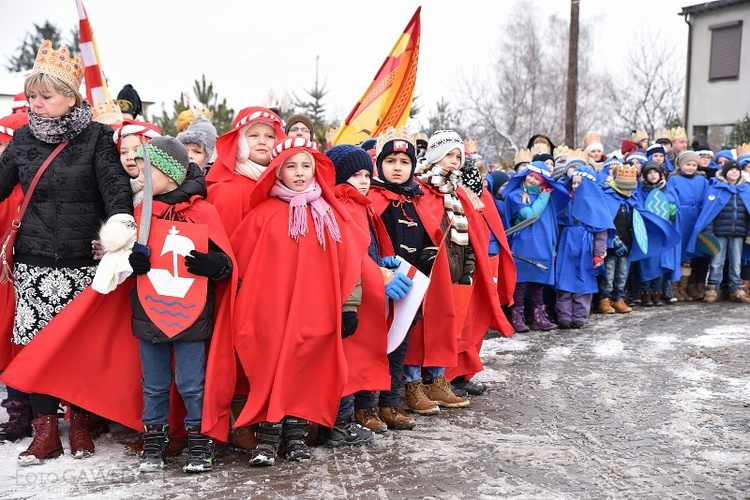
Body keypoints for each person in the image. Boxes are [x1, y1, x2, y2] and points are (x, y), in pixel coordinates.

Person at [0, 40, 133, 464]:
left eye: (46, 97)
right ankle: (45, 434)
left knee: (76, 347)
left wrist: (118, 232)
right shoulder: (22, 139)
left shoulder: (97, 138)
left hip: (82, 261)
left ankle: (78, 425)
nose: (35, 104)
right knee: (36, 346)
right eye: (32, 96)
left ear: (71, 96)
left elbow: (115, 192)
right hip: (35, 261)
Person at [230, 137, 369, 466]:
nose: (299, 172)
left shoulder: (328, 214)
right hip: (271, 312)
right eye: (291, 166)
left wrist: (348, 306)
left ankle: (294, 435)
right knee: (271, 370)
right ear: (277, 172)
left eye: (306, 165)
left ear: (316, 170)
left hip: (315, 310)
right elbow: (241, 263)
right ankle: (267, 436)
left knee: (304, 370)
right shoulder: (262, 214)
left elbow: (348, 263)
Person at [126, 137, 234, 473]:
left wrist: (214, 264)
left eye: (147, 170)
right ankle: (155, 443)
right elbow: (122, 262)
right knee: (154, 384)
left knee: (191, 383)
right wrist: (133, 264)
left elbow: (227, 263)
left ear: (169, 172)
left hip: (191, 314)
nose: (139, 176)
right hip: (149, 312)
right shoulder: (142, 211)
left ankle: (200, 442)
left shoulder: (203, 212)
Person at [367, 127, 456, 424]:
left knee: (399, 348)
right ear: (380, 164)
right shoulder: (373, 199)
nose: (397, 167)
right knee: (372, 347)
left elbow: (429, 234)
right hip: (378, 285)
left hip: (409, 290)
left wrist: (428, 256)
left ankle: (391, 404)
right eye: (391, 160)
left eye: (404, 162)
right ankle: (365, 406)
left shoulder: (417, 198)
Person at [326, 143, 406, 439]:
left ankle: (353, 414)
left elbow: (364, 247)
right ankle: (340, 420)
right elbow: (349, 255)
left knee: (359, 354)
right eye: (355, 175)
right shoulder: (342, 205)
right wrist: (379, 273)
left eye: (366, 174)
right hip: (348, 295)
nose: (363, 180)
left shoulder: (360, 204)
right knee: (346, 358)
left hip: (362, 292)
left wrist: (381, 258)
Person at [504, 161, 568, 331]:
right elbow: (531, 215)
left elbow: (551, 224)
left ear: (543, 182)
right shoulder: (516, 196)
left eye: (536, 178)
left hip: (543, 246)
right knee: (520, 283)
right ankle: (517, 317)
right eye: (530, 176)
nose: (532, 179)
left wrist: (553, 246)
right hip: (523, 245)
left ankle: (539, 317)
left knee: (538, 283)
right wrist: (545, 196)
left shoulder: (548, 200)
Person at [555, 165, 612, 328]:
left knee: (583, 280)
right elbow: (558, 225)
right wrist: (555, 247)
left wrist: (598, 253)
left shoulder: (596, 206)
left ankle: (579, 315)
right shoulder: (566, 202)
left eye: (579, 183)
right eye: (573, 183)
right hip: (567, 244)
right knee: (564, 280)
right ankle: (564, 315)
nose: (575, 186)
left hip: (586, 246)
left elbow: (601, 231)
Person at [687, 160, 750, 304]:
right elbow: (709, 213)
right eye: (731, 170)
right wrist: (709, 232)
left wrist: (748, 232)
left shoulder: (745, 189)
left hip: (738, 233)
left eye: (737, 170)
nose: (734, 172)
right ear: (725, 172)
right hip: (719, 232)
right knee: (717, 262)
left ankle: (735, 288)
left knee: (736, 262)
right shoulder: (716, 188)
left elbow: (748, 214)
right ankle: (712, 288)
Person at [667, 151, 708, 301]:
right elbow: (670, 196)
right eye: (687, 164)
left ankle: (684, 288)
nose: (691, 168)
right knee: (679, 252)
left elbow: (706, 199)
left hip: (696, 218)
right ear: (680, 165)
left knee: (690, 256)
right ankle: (675, 288)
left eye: (693, 165)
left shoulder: (702, 180)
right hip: (681, 219)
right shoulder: (674, 179)